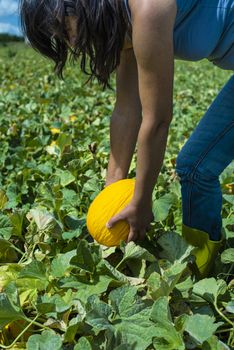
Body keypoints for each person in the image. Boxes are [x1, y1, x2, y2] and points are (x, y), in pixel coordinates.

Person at [20, 0, 234, 277]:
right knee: (195, 167)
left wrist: (142, 201)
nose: (71, 44)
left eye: (64, 30)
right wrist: (112, 194)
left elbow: (156, 120)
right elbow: (126, 111)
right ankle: (201, 269)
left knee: (195, 166)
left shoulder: (148, 8)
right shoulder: (122, 23)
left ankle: (202, 274)